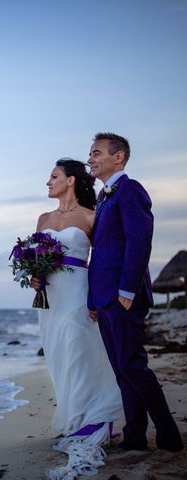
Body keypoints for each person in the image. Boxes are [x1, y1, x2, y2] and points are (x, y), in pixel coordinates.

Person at [87, 132, 184, 460]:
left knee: (133, 365)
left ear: (118, 157)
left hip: (122, 294)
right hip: (104, 297)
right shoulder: (102, 198)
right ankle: (135, 436)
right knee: (121, 369)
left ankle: (169, 437)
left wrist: (127, 290)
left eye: (96, 152)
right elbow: (99, 252)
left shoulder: (129, 190)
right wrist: (93, 300)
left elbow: (140, 241)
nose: (90, 158)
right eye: (90, 153)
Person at [33, 158, 123, 479]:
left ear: (70, 180)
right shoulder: (43, 218)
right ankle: (73, 417)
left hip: (77, 292)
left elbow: (103, 259)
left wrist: (97, 296)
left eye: (53, 176)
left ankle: (92, 420)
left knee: (79, 353)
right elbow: (37, 259)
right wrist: (34, 276)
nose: (48, 181)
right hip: (50, 298)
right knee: (58, 355)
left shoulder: (90, 216)